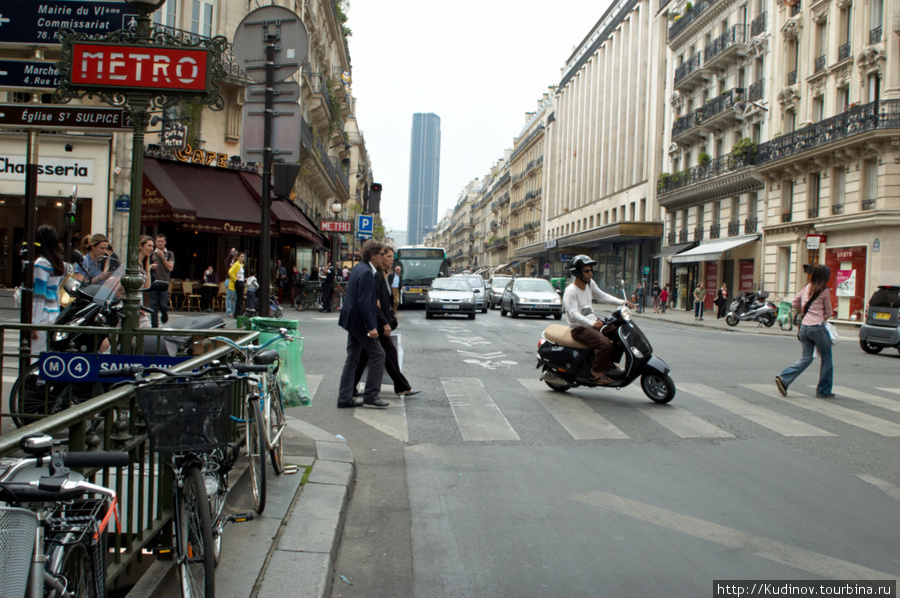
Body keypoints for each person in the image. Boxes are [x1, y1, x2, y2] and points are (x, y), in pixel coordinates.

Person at [353, 246, 419, 397]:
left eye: (391, 256)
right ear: (379, 257)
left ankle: (351, 387)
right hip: (376, 322)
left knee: (365, 356)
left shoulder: (384, 275)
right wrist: (384, 322)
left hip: (378, 321)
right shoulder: (375, 275)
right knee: (387, 354)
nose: (391, 259)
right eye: (388, 256)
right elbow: (375, 303)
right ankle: (400, 387)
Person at [563, 255, 633, 386]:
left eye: (591, 270)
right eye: (587, 271)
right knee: (605, 344)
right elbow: (572, 314)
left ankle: (609, 364)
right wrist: (591, 323)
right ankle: (595, 372)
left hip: (593, 322)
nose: (590, 273)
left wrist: (622, 302)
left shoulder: (589, 284)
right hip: (579, 328)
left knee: (620, 333)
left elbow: (602, 296)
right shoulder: (571, 291)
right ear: (578, 273)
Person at [337, 239, 389, 409]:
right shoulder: (367, 272)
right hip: (360, 323)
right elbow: (364, 303)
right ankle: (371, 395)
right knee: (378, 355)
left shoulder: (360, 267)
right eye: (382, 254)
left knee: (352, 358)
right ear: (373, 255)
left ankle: (345, 396)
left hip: (352, 321)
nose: (384, 257)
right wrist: (372, 327)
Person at [776, 265, 835, 398]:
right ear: (826, 277)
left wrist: (805, 313)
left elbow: (795, 303)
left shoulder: (806, 287)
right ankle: (823, 390)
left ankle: (784, 378)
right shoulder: (825, 290)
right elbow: (829, 312)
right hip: (817, 327)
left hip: (804, 327)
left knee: (806, 358)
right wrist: (821, 317)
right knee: (826, 358)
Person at [31, 225, 65, 355]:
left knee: (34, 354)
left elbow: (39, 295)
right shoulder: (56, 262)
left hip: (43, 315)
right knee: (48, 353)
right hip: (54, 313)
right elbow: (55, 291)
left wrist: (34, 323)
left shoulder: (41, 263)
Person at [147, 234, 174, 327]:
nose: (159, 243)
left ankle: (164, 316)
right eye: (158, 241)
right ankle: (154, 326)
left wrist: (163, 258)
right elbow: (146, 267)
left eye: (161, 241)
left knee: (163, 305)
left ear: (165, 243)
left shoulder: (169, 254)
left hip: (164, 281)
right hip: (154, 282)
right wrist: (151, 267)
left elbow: (170, 268)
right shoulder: (151, 254)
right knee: (153, 305)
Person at [137, 235, 155, 328]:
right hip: (132, 307)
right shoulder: (133, 264)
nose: (151, 249)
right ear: (140, 246)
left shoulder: (142, 265)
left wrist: (148, 269)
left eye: (152, 246)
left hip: (139, 306)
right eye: (149, 246)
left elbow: (147, 287)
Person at [229, 252, 246, 318]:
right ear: (238, 258)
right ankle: (237, 314)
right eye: (241, 257)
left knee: (240, 298)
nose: (242, 258)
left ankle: (237, 312)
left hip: (241, 281)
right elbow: (230, 271)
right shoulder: (236, 264)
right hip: (238, 282)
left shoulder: (241, 265)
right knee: (239, 298)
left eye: (243, 257)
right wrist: (235, 278)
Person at [225, 250, 237, 316]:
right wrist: (231, 254)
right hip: (229, 279)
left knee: (235, 297)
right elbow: (227, 260)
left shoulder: (236, 262)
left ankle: (234, 311)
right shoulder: (228, 262)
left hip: (234, 279)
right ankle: (229, 311)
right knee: (229, 297)